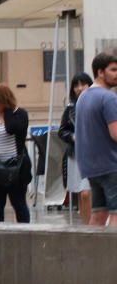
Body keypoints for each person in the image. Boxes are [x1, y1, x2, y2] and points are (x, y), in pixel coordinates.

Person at [74, 53, 117, 227]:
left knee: (99, 214)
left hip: (91, 167)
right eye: (113, 70)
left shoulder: (83, 97)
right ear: (100, 72)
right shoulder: (109, 98)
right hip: (112, 164)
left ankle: (89, 253)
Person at [0, 84, 32, 223]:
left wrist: (7, 110)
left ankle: (25, 233)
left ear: (3, 100)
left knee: (18, 203)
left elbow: (11, 128)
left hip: (15, 168)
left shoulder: (20, 114)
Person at [58, 73, 93, 225]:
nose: (79, 88)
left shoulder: (97, 102)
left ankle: (93, 225)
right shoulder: (70, 108)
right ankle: (87, 226)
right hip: (76, 154)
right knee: (82, 193)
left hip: (95, 153)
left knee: (87, 193)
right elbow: (62, 130)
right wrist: (73, 137)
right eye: (76, 85)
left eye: (82, 84)